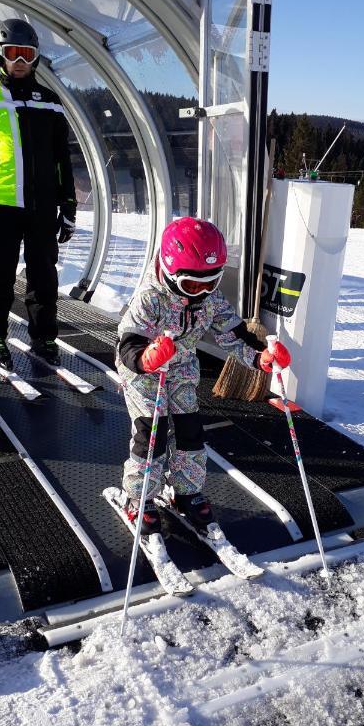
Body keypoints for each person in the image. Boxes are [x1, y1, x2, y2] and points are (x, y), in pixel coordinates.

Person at [115, 217, 291, 533]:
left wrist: (261, 357)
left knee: (190, 431)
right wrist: (145, 358)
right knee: (152, 433)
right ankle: (139, 498)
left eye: (211, 282)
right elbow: (129, 341)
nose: (202, 292)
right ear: (170, 273)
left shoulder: (209, 299)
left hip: (181, 370)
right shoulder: (150, 298)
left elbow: (235, 334)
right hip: (143, 373)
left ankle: (187, 492)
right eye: (193, 285)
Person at [0, 18, 77, 369]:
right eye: (13, 54)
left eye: (27, 55)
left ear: (36, 58)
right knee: (1, 273)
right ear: (0, 55)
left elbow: (62, 157)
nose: (20, 62)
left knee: (44, 274)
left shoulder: (51, 102)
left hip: (42, 205)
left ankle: (44, 337)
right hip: (2, 205)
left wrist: (69, 204)